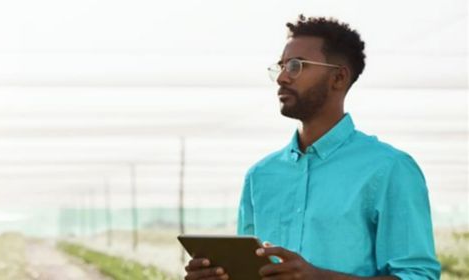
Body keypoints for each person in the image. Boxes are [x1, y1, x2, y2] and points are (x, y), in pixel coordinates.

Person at [184, 15, 441, 280]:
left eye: (296, 66)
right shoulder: (259, 176)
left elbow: (418, 276)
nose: (282, 77)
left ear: (338, 78)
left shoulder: (390, 168)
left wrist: (320, 278)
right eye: (281, 66)